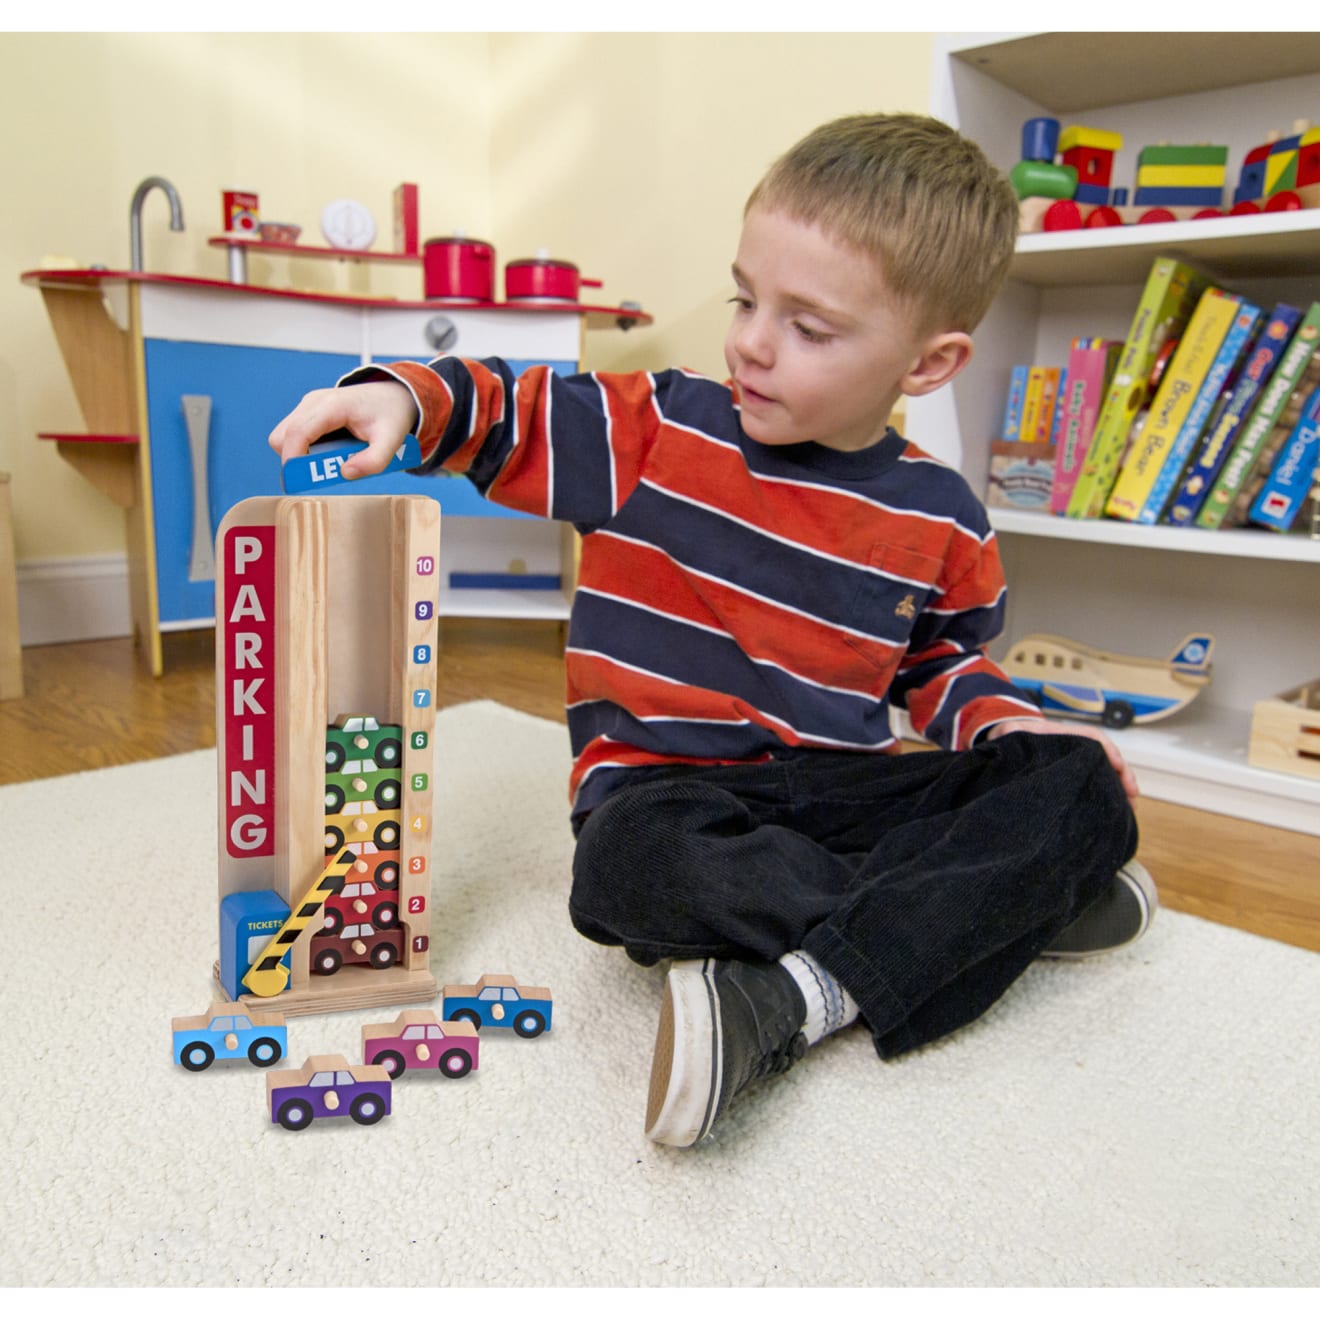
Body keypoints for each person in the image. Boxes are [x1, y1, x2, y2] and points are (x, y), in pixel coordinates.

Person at [270, 112, 1155, 1150]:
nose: (750, 340)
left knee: (1083, 783)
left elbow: (944, 666)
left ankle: (796, 992)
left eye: (809, 327)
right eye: (746, 297)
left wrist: (1011, 733)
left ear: (927, 364)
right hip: (668, 790)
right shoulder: (660, 429)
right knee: (625, 873)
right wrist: (399, 399)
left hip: (835, 792)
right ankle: (976, 915)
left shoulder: (943, 516)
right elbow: (511, 408)